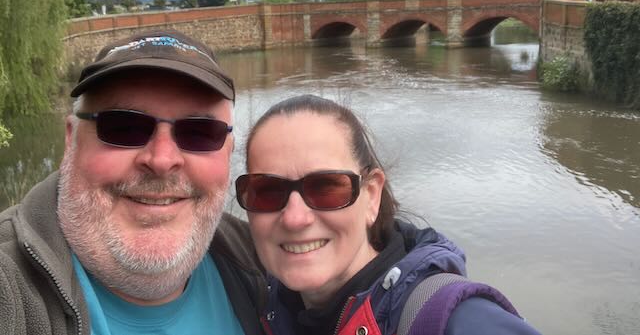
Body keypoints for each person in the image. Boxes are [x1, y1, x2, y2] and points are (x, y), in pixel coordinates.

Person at [0, 30, 266, 335]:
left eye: (200, 133)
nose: (162, 160)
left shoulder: (264, 263)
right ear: (71, 140)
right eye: (124, 127)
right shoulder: (9, 283)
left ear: (229, 151)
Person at [235, 94, 542, 335]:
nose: (294, 218)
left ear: (371, 195)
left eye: (326, 187)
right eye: (267, 191)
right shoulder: (259, 305)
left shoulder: (453, 319)